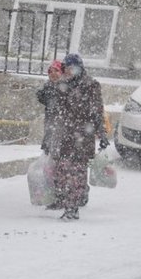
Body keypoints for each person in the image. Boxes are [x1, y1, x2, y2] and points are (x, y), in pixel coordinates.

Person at [50, 53, 109, 220]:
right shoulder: (62, 84)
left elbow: (98, 110)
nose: (66, 71)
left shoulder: (91, 85)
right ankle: (68, 199)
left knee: (76, 173)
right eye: (65, 68)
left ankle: (72, 208)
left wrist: (102, 133)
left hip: (82, 136)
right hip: (64, 135)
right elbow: (56, 109)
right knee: (62, 171)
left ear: (77, 67)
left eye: (68, 68)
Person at [36, 60, 63, 155]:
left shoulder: (66, 87)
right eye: (50, 71)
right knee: (49, 145)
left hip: (62, 125)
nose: (53, 74)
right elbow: (42, 97)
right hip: (51, 122)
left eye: (56, 70)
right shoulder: (47, 87)